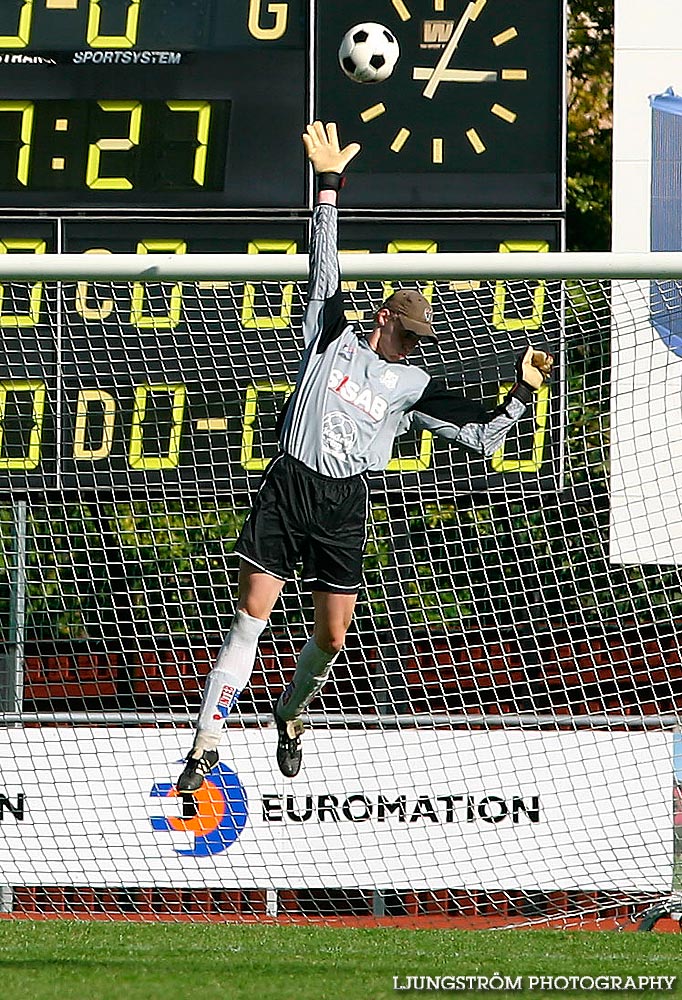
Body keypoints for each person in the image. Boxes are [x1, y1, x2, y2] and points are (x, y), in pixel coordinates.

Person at [176, 121, 552, 790]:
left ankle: (290, 712)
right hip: (290, 485)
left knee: (331, 638)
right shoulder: (332, 333)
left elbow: (482, 435)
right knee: (249, 621)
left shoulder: (412, 383)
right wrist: (327, 187)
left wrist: (521, 394)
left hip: (345, 505)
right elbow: (325, 264)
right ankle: (206, 741)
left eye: (418, 339)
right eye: (405, 333)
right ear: (382, 317)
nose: (411, 345)